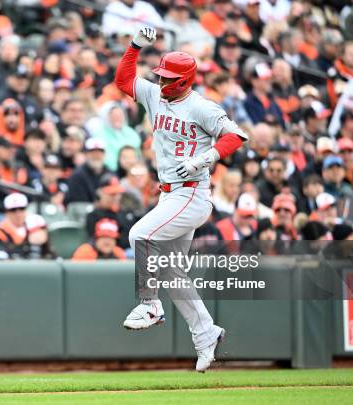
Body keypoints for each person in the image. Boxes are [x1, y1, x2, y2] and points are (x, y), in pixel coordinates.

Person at [115, 27, 247, 371]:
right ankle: (206, 333)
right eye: (160, 76)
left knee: (139, 235)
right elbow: (123, 81)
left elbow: (235, 135)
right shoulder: (156, 96)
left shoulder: (201, 107)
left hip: (191, 193)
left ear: (185, 81)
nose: (161, 82)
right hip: (169, 196)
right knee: (172, 272)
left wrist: (206, 158)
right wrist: (133, 48)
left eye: (168, 78)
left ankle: (149, 305)